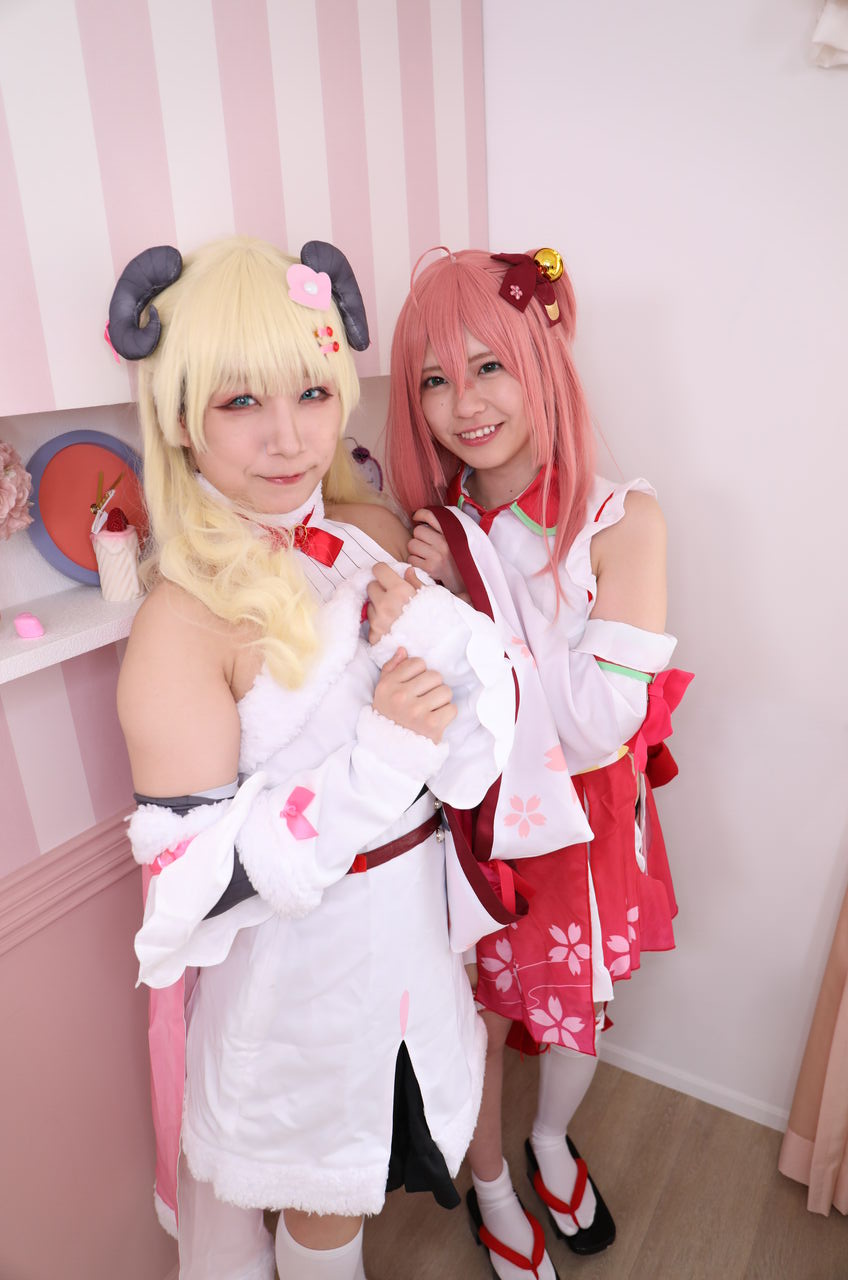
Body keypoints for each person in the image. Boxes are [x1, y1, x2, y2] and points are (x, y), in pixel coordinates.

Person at [110, 236, 520, 1280]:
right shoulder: (180, 622)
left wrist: (436, 641)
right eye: (241, 401)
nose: (288, 437)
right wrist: (381, 758)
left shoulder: (370, 529)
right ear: (182, 416)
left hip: (415, 941)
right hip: (301, 980)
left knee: (370, 1177)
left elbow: (472, 739)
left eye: (311, 392)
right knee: (321, 1203)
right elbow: (194, 885)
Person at [384, 247, 691, 1280]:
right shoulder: (436, 532)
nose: (464, 404)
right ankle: (492, 1189)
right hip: (476, 821)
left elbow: (599, 722)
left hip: (586, 822)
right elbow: (435, 700)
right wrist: (445, 588)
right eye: (435, 378)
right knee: (473, 1015)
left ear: (542, 361)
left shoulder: (622, 519)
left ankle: (550, 1140)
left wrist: (465, 606)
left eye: (489, 366)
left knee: (577, 1011)